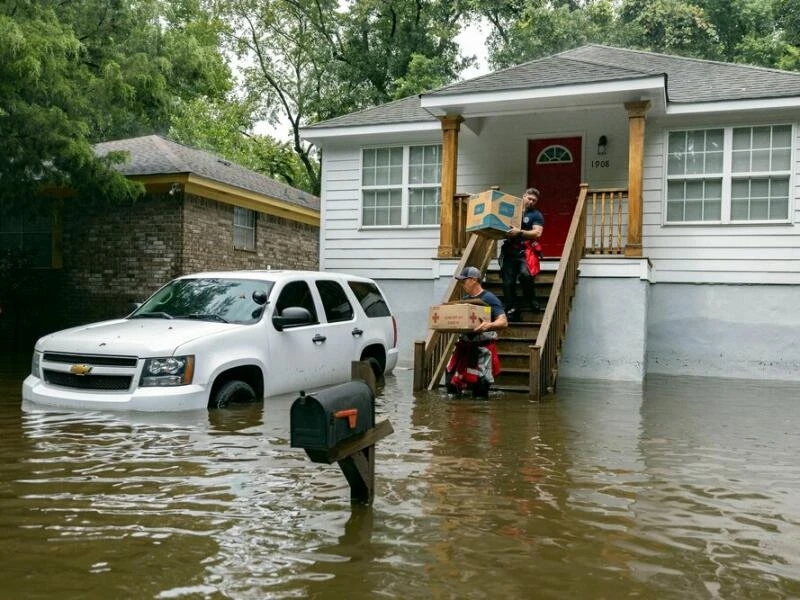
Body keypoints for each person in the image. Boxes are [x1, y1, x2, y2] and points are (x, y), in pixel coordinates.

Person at [445, 266, 508, 397]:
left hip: (482, 349)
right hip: (464, 347)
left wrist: (488, 325)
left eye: (464, 280)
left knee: (480, 388)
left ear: (474, 280)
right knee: (451, 383)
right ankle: (455, 415)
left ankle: (480, 411)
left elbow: (503, 321)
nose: (462, 284)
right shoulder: (465, 300)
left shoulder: (489, 298)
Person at [500, 187, 544, 321]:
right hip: (509, 251)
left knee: (525, 275)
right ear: (524, 196)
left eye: (534, 200)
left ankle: (531, 298)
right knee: (508, 282)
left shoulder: (536, 215)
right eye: (529, 198)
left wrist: (520, 232)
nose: (531, 202)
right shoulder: (510, 210)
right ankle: (511, 307)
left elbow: (537, 233)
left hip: (525, 251)